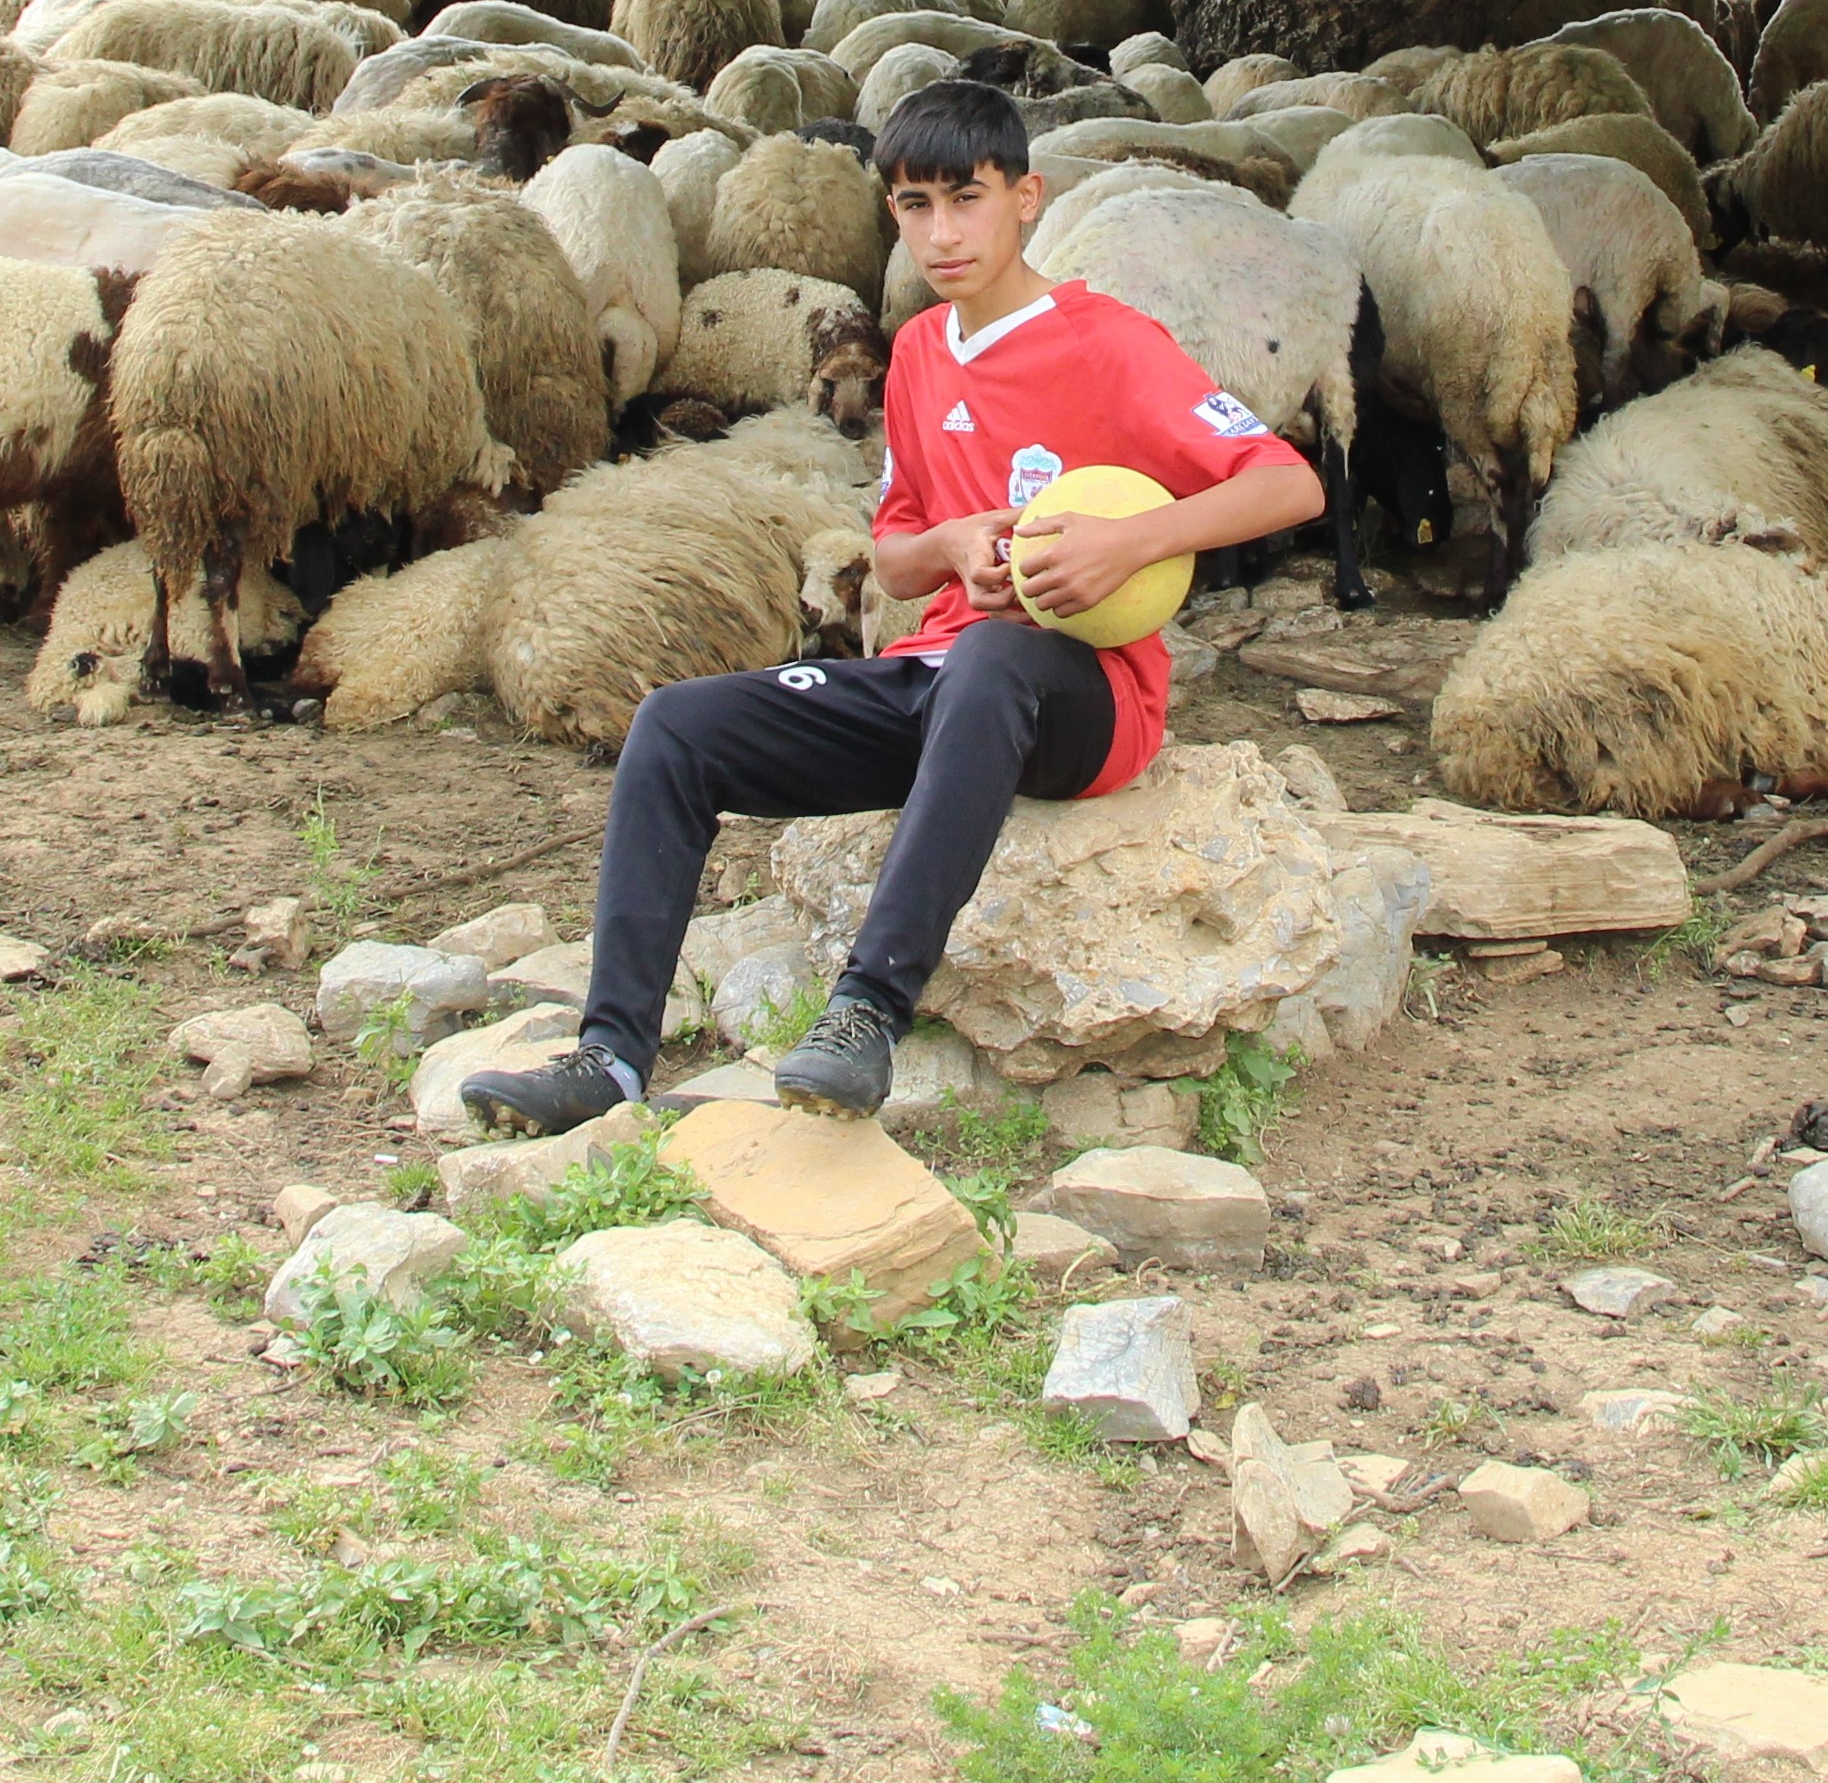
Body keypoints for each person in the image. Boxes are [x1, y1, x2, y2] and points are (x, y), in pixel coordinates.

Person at [461, 76, 1327, 1128]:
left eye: (967, 198)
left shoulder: (1109, 341)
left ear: (1027, 197)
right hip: (940, 681)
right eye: (916, 205)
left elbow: (1288, 481)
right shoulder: (917, 353)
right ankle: (610, 1056)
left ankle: (867, 1012)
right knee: (675, 727)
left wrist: (1130, 543)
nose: (942, 231)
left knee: (996, 661)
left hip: (1086, 695)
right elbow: (895, 556)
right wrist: (954, 547)